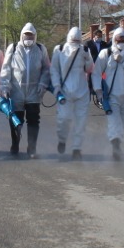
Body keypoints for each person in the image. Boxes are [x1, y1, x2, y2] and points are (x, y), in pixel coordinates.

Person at [0, 22, 50, 158]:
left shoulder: (40, 49)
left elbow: (46, 68)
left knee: (34, 120)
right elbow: (6, 68)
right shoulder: (14, 48)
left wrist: (43, 84)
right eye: (26, 35)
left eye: (31, 36)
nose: (28, 38)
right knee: (16, 120)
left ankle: (32, 149)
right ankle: (15, 145)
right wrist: (5, 86)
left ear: (35, 36)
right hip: (17, 91)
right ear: (22, 35)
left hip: (34, 91)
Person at [95, 27, 124, 160]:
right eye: (118, 38)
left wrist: (123, 61)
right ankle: (115, 146)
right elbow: (96, 72)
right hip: (112, 95)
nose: (121, 41)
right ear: (114, 39)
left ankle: (118, 143)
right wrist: (98, 90)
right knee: (114, 121)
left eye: (123, 38)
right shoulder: (106, 53)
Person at [50, 27, 94, 158]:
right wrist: (56, 86)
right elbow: (54, 69)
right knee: (63, 119)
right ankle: (62, 139)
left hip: (82, 91)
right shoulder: (59, 49)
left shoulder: (85, 50)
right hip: (65, 91)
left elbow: (89, 69)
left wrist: (88, 58)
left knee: (81, 121)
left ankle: (77, 148)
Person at [84, 27, 110, 95]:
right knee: (91, 78)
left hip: (101, 66)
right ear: (94, 36)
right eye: (98, 36)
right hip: (92, 65)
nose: (100, 38)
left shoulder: (104, 44)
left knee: (103, 78)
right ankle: (91, 90)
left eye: (101, 36)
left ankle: (102, 90)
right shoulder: (88, 43)